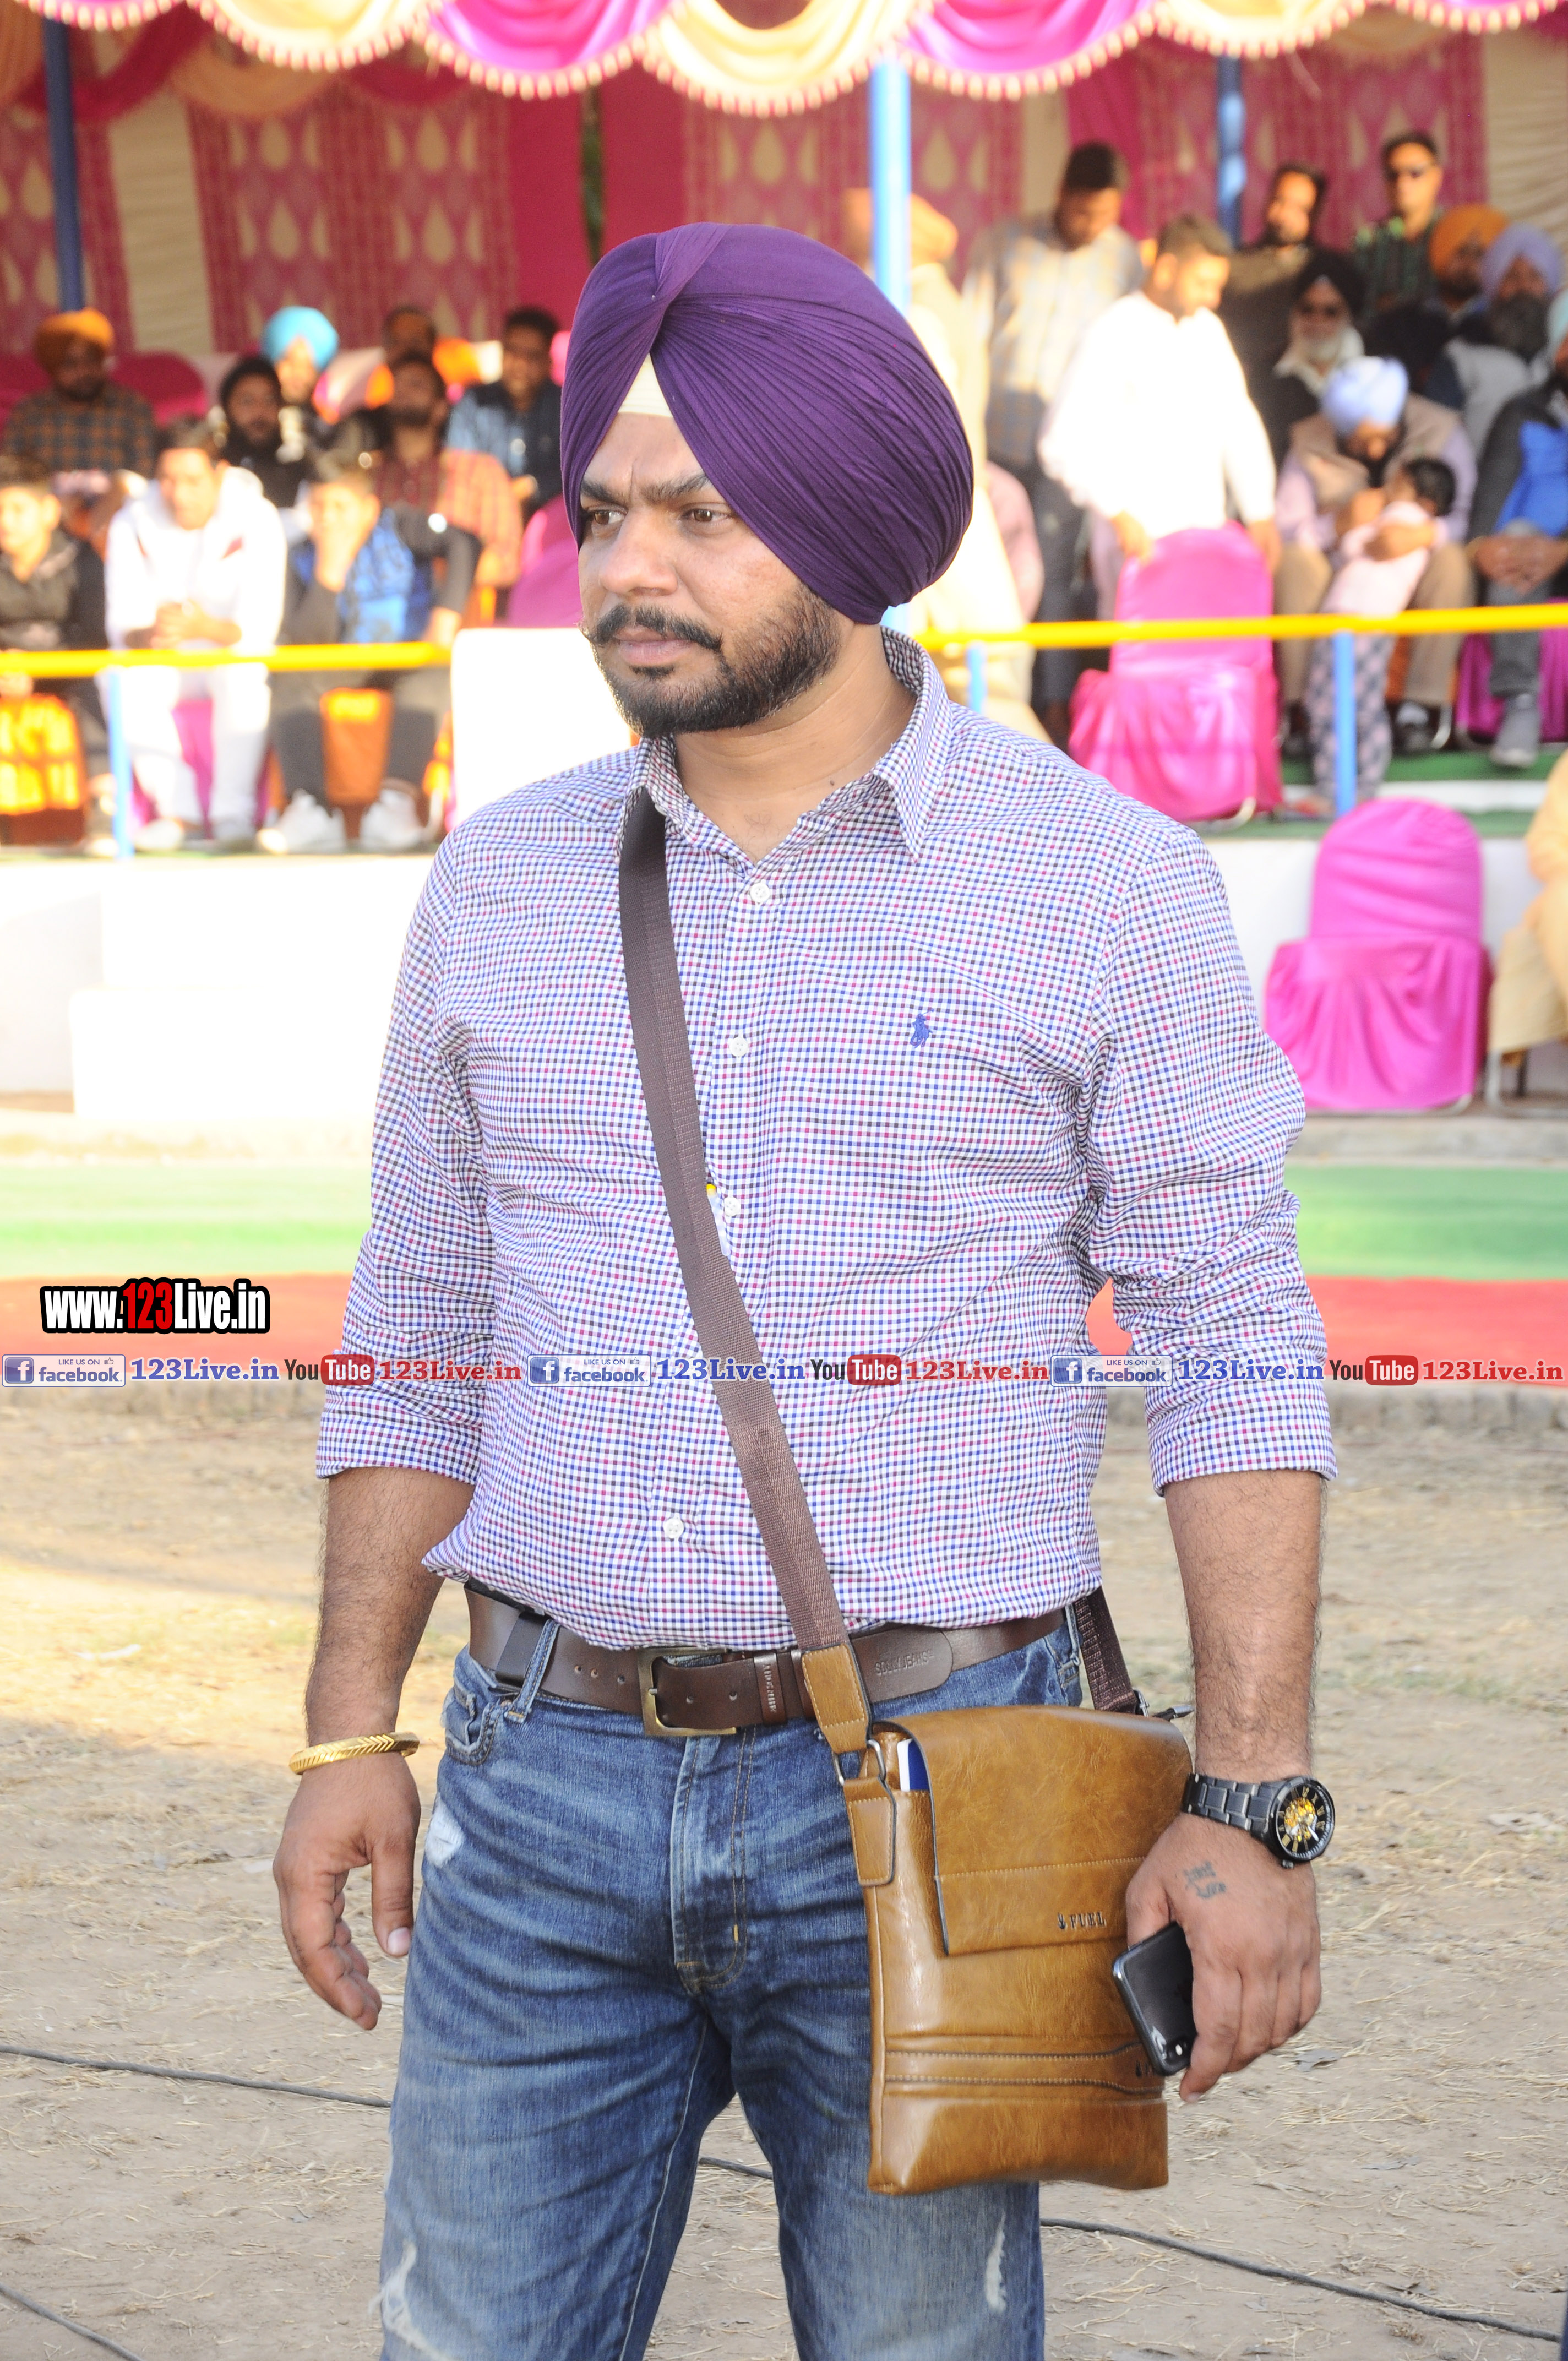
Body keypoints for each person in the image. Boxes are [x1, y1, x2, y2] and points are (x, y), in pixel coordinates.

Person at [273, 219, 1333, 2361]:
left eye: (699, 513)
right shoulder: (498, 883)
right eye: (601, 515)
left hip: (944, 1796)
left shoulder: (1102, 886)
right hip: (537, 1789)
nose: (628, 570)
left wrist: (1244, 1802)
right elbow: (421, 1319)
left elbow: (1231, 1350)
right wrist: (344, 1724)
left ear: (852, 526)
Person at [964, 142, 1144, 738]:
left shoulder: (1124, 262)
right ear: (1062, 194)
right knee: (995, 569)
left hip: (1070, 451)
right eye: (1083, 211)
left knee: (1055, 569)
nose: (1093, 225)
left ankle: (1054, 705)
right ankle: (995, 701)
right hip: (997, 440)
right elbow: (971, 340)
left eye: (1105, 215)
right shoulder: (1004, 243)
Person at [1040, 213, 1280, 619]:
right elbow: (1060, 442)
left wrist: (1260, 512)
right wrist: (1117, 513)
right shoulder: (1113, 331)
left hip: (1204, 540)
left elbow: (1239, 425)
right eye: (1203, 284)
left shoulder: (1208, 332)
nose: (1213, 298)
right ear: (1167, 270)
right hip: (1138, 544)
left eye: (1217, 287)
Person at [260, 450, 473, 855]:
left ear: (368, 509)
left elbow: (464, 542)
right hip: (340, 661)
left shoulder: (402, 527)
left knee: (432, 671)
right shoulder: (300, 553)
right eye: (318, 506)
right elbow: (304, 643)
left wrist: (446, 615)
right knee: (288, 672)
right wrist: (329, 575)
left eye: (340, 507)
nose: (327, 518)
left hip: (405, 658)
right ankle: (312, 809)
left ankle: (395, 803)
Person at [1274, 354, 1474, 754]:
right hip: (1340, 577)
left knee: (1453, 561)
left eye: (1384, 436)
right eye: (1361, 441)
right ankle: (1301, 713)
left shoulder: (1441, 429)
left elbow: (1466, 515)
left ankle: (1420, 709)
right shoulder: (1308, 441)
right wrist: (1336, 526)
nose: (1377, 449)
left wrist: (1423, 534)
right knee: (1295, 563)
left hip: (1414, 567)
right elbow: (1287, 529)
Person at [104, 417, 286, 852]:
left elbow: (261, 627)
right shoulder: (131, 520)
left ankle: (233, 815)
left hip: (231, 653)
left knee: (243, 673)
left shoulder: (257, 516)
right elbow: (122, 628)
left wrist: (203, 628)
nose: (179, 494)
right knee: (118, 677)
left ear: (220, 473)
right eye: (167, 480)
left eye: (192, 481)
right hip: (165, 656)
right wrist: (153, 632)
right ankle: (177, 814)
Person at [1302, 456, 1458, 805]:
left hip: (1364, 621)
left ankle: (1346, 789)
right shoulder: (1416, 524)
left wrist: (1354, 517)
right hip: (1348, 620)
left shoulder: (1407, 518)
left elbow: (1364, 544)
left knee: (1348, 706)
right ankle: (1348, 789)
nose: (1389, 490)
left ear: (1427, 501)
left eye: (1400, 485)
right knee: (1337, 704)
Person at [1467, 288, 1568, 771]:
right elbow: (1493, 489)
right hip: (1533, 550)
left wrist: (1563, 551)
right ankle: (1520, 702)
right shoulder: (1522, 410)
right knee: (1514, 544)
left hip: (1560, 553)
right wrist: (1481, 545)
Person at [336, 351, 520, 595]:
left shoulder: (481, 471)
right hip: (377, 611)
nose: (403, 391)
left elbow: (505, 560)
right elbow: (338, 550)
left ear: (440, 408)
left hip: (457, 612)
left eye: (416, 384)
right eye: (397, 384)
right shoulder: (367, 474)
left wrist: (436, 570)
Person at [0, 450, 112, 839]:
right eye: (0, 510)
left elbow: (95, 639)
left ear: (48, 511)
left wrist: (37, 674)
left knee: (96, 688)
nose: (5, 522)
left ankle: (103, 807)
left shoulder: (82, 562)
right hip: (5, 676)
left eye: (18, 510)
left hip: (68, 675)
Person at [1, 311, 156, 543]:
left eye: (91, 361)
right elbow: (10, 477)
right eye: (70, 364)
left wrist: (117, 494)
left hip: (120, 527)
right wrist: (51, 502)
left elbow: (146, 474)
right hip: (46, 532)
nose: (84, 372)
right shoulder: (29, 415)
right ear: (53, 370)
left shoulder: (132, 408)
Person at [1428, 225, 1564, 463]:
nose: (1524, 288)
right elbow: (1435, 434)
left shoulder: (1561, 356)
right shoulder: (1461, 355)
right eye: (1512, 277)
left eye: (1535, 277)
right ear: (1494, 285)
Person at [1364, 204, 1507, 389]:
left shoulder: (1502, 324)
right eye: (1461, 252)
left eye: (1479, 255)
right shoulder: (1401, 320)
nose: (1468, 264)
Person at [1219, 162, 1329, 391]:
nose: (1285, 215)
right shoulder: (1234, 267)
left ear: (1314, 214)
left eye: (1300, 208)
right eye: (1280, 201)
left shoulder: (1325, 272)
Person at [446, 306, 563, 518]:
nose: (520, 364)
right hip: (483, 517)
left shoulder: (565, 406)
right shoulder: (474, 403)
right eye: (513, 352)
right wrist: (502, 495)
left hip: (553, 522)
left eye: (532, 356)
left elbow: (579, 471)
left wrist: (533, 486)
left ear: (548, 362)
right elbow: (459, 467)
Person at [1256, 251, 1366, 464]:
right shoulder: (1267, 374)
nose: (1317, 321)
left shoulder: (1374, 369)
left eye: (1330, 312)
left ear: (1348, 315)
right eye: (1307, 309)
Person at [1355, 130, 1445, 315]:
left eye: (1415, 173)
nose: (1402, 183)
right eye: (1393, 174)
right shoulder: (1366, 242)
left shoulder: (1456, 236)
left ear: (1436, 177)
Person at [217, 356, 312, 524]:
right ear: (227, 409)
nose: (259, 412)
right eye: (247, 402)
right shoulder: (213, 473)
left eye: (269, 401)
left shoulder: (301, 472)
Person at [259, 305, 340, 444]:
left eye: (308, 366)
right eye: (289, 361)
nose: (297, 374)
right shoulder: (252, 425)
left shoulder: (329, 430)